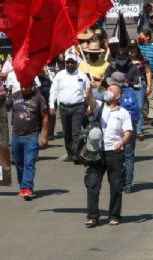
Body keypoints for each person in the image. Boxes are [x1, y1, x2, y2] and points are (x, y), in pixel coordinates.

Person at [84, 84, 133, 227]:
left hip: (115, 153)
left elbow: (128, 133)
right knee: (92, 184)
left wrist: (121, 143)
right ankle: (92, 216)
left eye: (111, 90)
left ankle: (114, 215)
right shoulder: (100, 106)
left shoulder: (123, 113)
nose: (108, 92)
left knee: (116, 185)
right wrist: (89, 89)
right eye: (107, 90)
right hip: (97, 151)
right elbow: (90, 101)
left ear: (118, 96)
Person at [8, 83, 49, 200]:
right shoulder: (15, 96)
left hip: (31, 136)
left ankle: (27, 188)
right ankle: (23, 186)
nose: (23, 88)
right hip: (16, 136)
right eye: (21, 86)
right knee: (18, 163)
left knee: (29, 162)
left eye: (25, 86)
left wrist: (45, 136)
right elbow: (3, 107)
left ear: (31, 86)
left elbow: (45, 117)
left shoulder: (38, 97)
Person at [49, 53, 92, 162]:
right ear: (65, 63)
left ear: (76, 64)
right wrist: (51, 105)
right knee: (66, 132)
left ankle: (77, 154)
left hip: (78, 107)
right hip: (63, 107)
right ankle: (70, 153)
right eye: (68, 62)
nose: (70, 64)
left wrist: (90, 107)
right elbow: (53, 90)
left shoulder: (82, 76)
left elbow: (88, 93)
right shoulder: (59, 75)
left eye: (72, 62)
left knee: (76, 132)